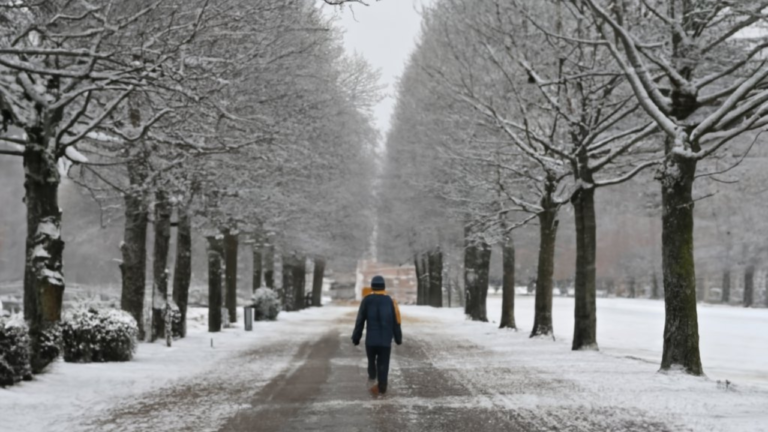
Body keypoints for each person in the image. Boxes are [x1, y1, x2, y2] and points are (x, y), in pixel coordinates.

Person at [352, 275, 402, 395]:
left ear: (372, 287)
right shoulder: (390, 301)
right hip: (385, 340)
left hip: (371, 340)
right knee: (384, 362)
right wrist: (398, 337)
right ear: (384, 287)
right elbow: (397, 321)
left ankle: (372, 373)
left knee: (371, 360)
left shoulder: (366, 300)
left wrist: (356, 337)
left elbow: (360, 320)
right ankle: (382, 383)